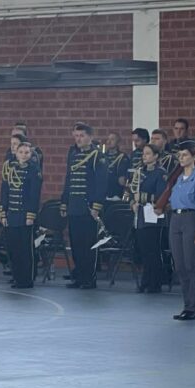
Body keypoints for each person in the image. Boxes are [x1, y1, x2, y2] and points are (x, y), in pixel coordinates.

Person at [164, 141, 195, 320]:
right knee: (180, 265)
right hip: (175, 219)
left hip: (190, 218)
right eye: (179, 155)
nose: (181, 158)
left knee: (190, 264)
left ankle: (194, 307)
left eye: (185, 155)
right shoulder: (177, 178)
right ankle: (186, 304)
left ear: (194, 157)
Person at [61, 123, 108, 290]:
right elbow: (69, 180)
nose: (78, 139)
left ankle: (89, 278)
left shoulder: (97, 156)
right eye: (76, 136)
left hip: (89, 207)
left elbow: (101, 184)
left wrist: (96, 206)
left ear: (90, 137)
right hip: (74, 206)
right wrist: (64, 202)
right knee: (76, 244)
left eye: (81, 135)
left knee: (88, 245)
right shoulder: (73, 155)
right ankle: (79, 277)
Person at [1, 140, 41, 289]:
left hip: (25, 215)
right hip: (12, 214)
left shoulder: (34, 170)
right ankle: (17, 277)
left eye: (27, 152)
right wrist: (3, 212)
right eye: (21, 152)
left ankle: (27, 279)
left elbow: (34, 195)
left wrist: (31, 215)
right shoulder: (10, 168)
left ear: (31, 154)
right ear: (16, 154)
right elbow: (5, 191)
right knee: (14, 249)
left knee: (26, 250)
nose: (24, 155)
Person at [132, 144, 167, 294]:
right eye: (143, 154)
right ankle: (145, 280)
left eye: (148, 153)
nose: (144, 156)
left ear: (156, 156)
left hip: (153, 215)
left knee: (153, 250)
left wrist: (141, 198)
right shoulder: (140, 172)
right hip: (141, 215)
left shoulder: (160, 173)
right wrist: (133, 202)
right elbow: (132, 191)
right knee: (144, 250)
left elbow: (161, 195)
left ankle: (155, 282)